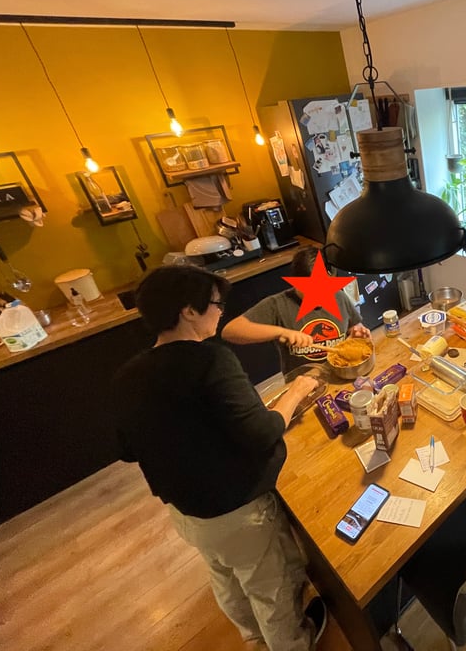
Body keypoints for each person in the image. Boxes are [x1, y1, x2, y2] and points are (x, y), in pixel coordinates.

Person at [113, 265, 326, 651]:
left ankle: (254, 639)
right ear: (188, 311)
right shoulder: (211, 360)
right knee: (271, 588)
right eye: (215, 304)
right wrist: (296, 391)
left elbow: (128, 450)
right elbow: (261, 432)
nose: (220, 312)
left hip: (186, 512)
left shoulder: (128, 373)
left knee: (225, 576)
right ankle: (293, 644)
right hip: (238, 511)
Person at [222, 246, 370, 378]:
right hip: (302, 382)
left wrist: (357, 332)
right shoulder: (277, 304)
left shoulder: (339, 296)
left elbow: (354, 327)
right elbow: (230, 331)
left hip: (340, 372)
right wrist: (281, 332)